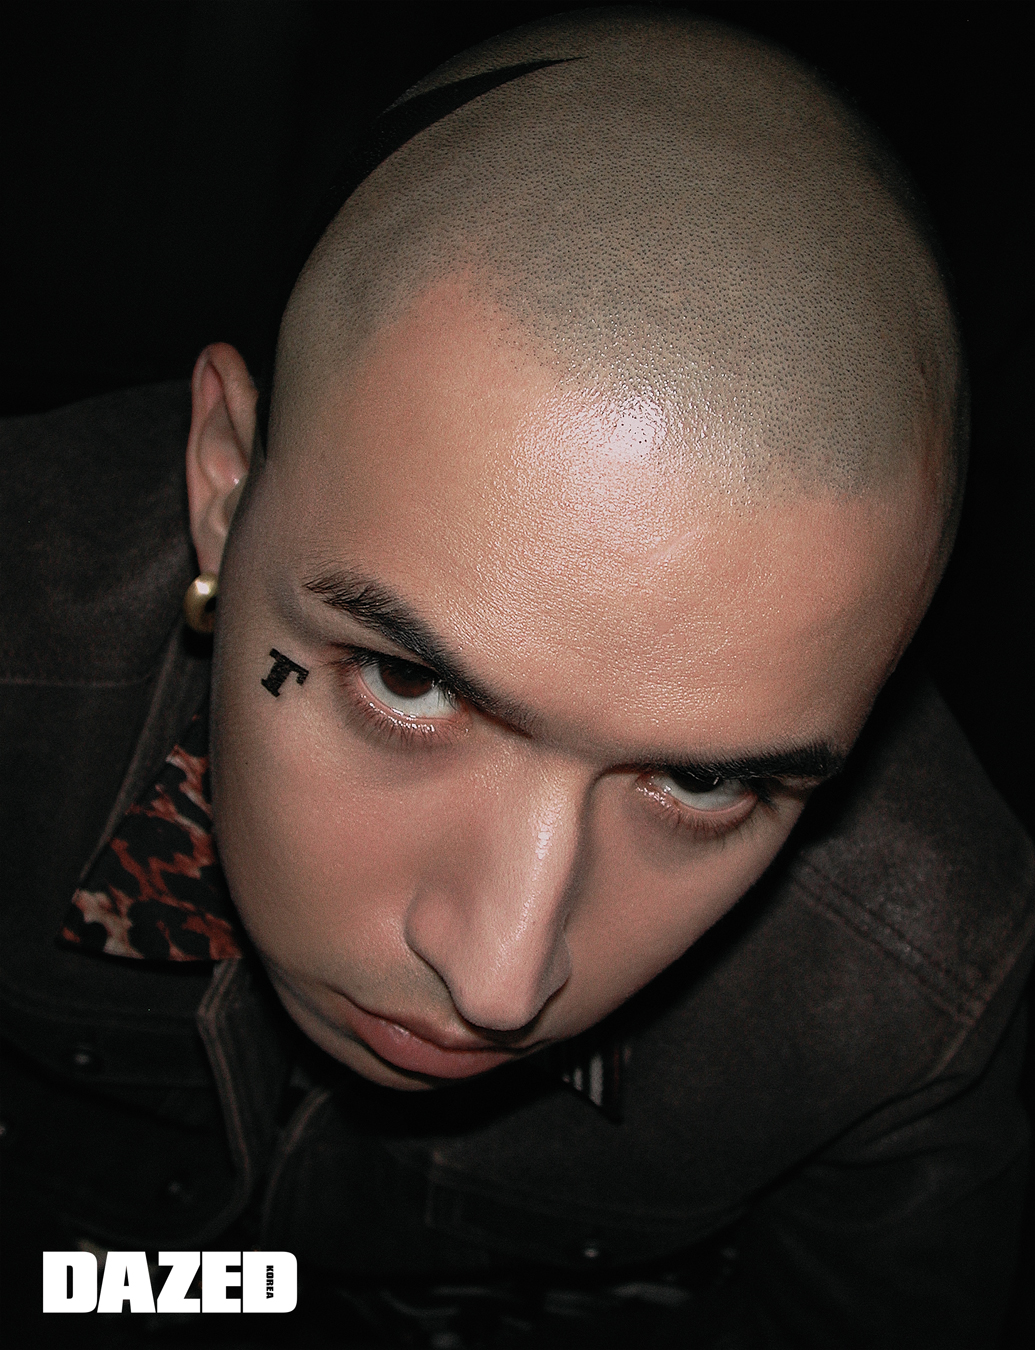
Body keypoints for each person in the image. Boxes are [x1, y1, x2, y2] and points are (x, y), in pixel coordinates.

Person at [1, 9, 1031, 1348]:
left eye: (701, 780)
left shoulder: (916, 988)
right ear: (225, 485)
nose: (500, 977)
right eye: (407, 684)